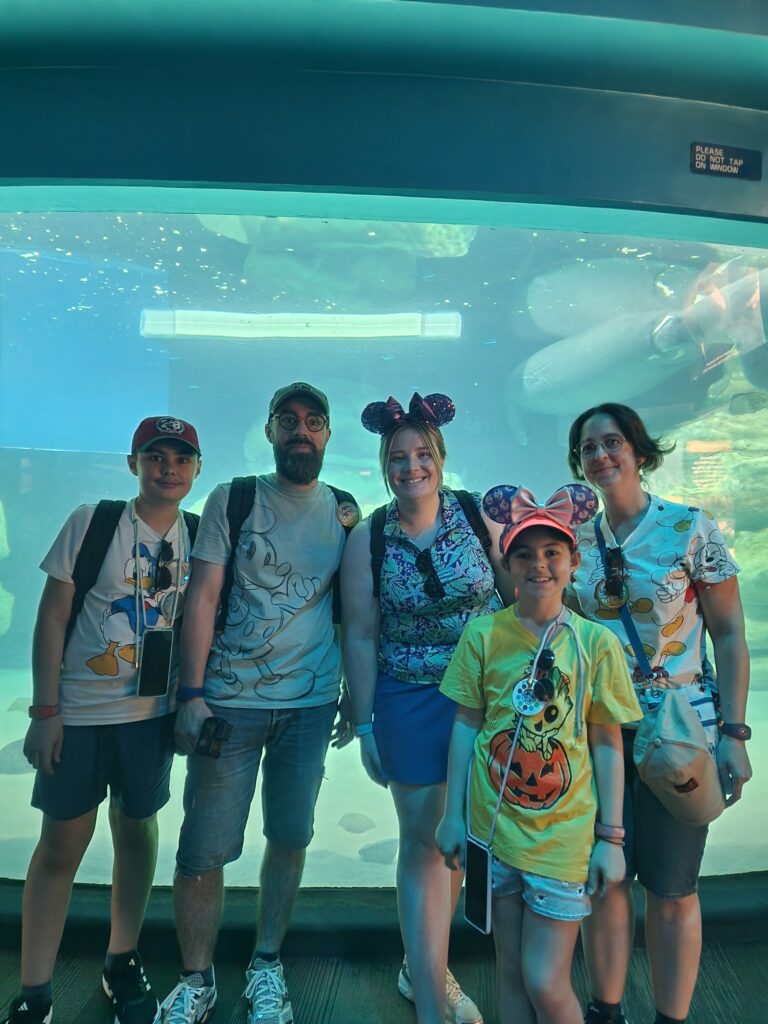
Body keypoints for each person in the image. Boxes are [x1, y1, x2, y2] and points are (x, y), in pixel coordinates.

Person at [159, 382, 358, 1024]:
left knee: (290, 836)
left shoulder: (346, 511)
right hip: (228, 704)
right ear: (270, 430)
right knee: (202, 850)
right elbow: (202, 598)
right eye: (288, 420)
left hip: (310, 706)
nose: (302, 431)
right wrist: (192, 695)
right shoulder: (234, 497)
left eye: (314, 421)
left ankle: (266, 963)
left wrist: (354, 695)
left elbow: (352, 613)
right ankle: (196, 980)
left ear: (327, 434)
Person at [4, 416, 203, 1024]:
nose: (168, 468)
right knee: (62, 841)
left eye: (181, 458)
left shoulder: (199, 536)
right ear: (132, 463)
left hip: (151, 716)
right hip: (81, 712)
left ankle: (122, 957)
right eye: (155, 456)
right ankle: (34, 990)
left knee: (137, 828)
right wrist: (44, 712)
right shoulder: (93, 522)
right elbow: (50, 618)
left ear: (197, 470)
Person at [566, 402, 753, 1024]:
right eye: (588, 448)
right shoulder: (576, 541)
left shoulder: (689, 528)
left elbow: (729, 634)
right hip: (600, 731)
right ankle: (606, 1011)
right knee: (605, 881)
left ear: (640, 451)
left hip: (681, 730)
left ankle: (672, 1018)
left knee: (673, 888)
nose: (600, 455)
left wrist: (734, 732)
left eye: (612, 442)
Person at [436, 484, 642, 1024]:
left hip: (561, 842)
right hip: (493, 833)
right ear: (507, 564)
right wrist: (453, 816)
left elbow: (607, 744)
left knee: (545, 981)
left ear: (574, 562)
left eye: (552, 553)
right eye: (524, 554)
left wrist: (611, 839)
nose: (539, 565)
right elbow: (466, 726)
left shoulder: (596, 645)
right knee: (508, 970)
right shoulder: (483, 635)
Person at [340, 392, 513, 1024]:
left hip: (486, 695)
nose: (411, 466)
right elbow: (361, 634)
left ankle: (426, 968)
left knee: (461, 834)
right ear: (383, 465)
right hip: (407, 697)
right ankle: (431, 999)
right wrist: (364, 723)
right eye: (398, 457)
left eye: (422, 454)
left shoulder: (476, 514)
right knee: (421, 839)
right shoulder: (368, 537)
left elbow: (516, 594)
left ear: (440, 457)